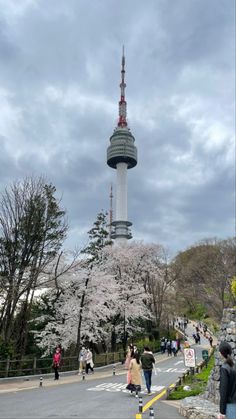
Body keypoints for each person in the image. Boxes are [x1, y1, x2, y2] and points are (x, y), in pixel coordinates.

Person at [218, 341, 236, 419]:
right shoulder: (234, 366)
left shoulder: (224, 368)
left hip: (231, 405)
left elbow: (223, 391)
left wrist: (222, 411)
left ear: (221, 353)